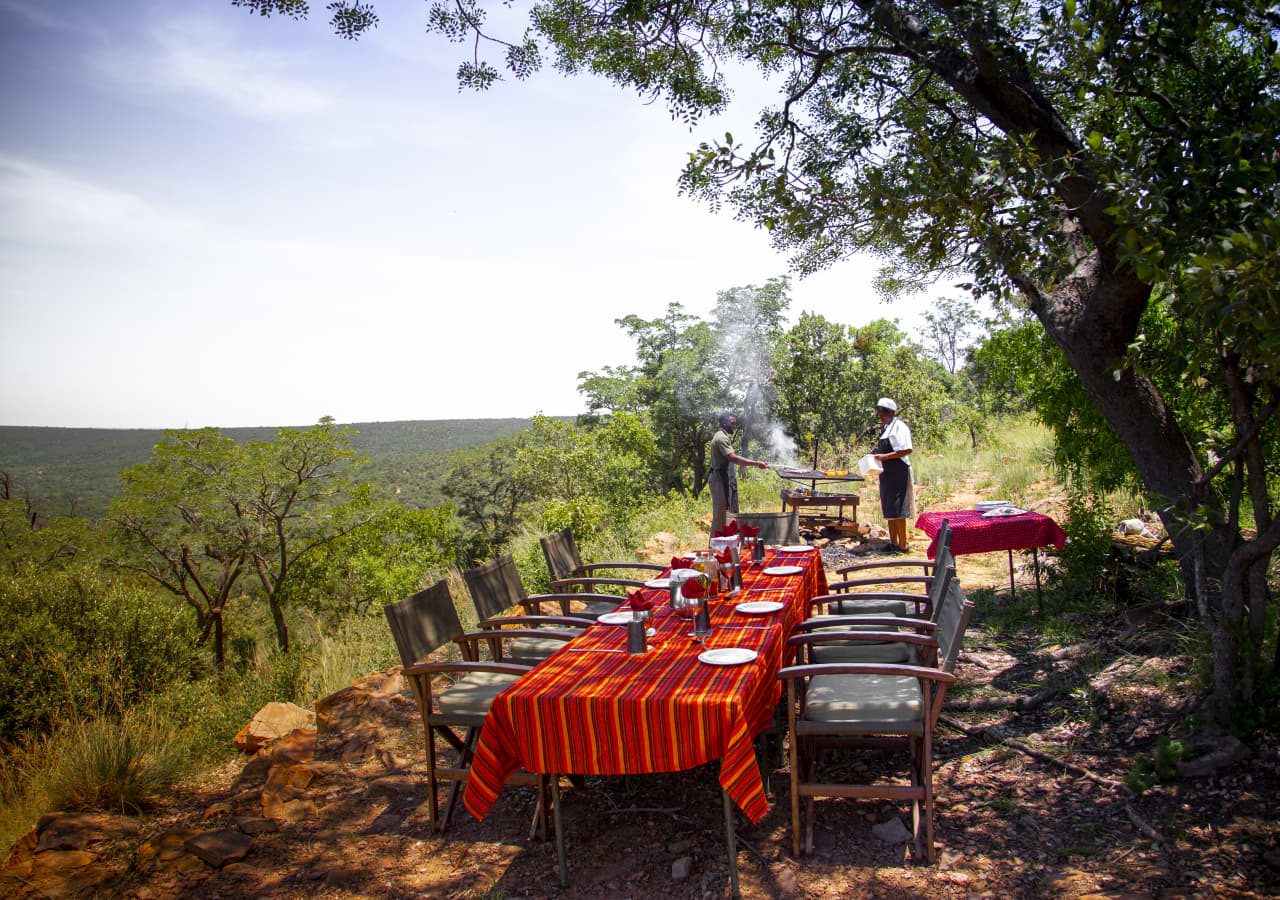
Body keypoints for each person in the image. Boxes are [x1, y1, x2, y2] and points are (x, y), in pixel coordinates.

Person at [708, 412, 770, 534]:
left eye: (735, 423)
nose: (734, 426)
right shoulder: (720, 438)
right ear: (724, 423)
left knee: (729, 513)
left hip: (724, 478)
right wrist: (757, 464)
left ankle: (727, 545)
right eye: (732, 423)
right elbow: (734, 458)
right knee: (721, 515)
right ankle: (714, 547)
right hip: (719, 479)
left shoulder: (724, 436)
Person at [872, 398, 913, 553]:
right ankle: (893, 543)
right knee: (889, 507)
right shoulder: (887, 427)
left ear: (889, 411)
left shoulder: (899, 427)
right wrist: (876, 453)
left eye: (881, 412)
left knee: (898, 508)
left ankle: (903, 545)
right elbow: (885, 448)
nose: (879, 415)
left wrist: (885, 457)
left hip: (898, 471)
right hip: (886, 473)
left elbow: (907, 449)